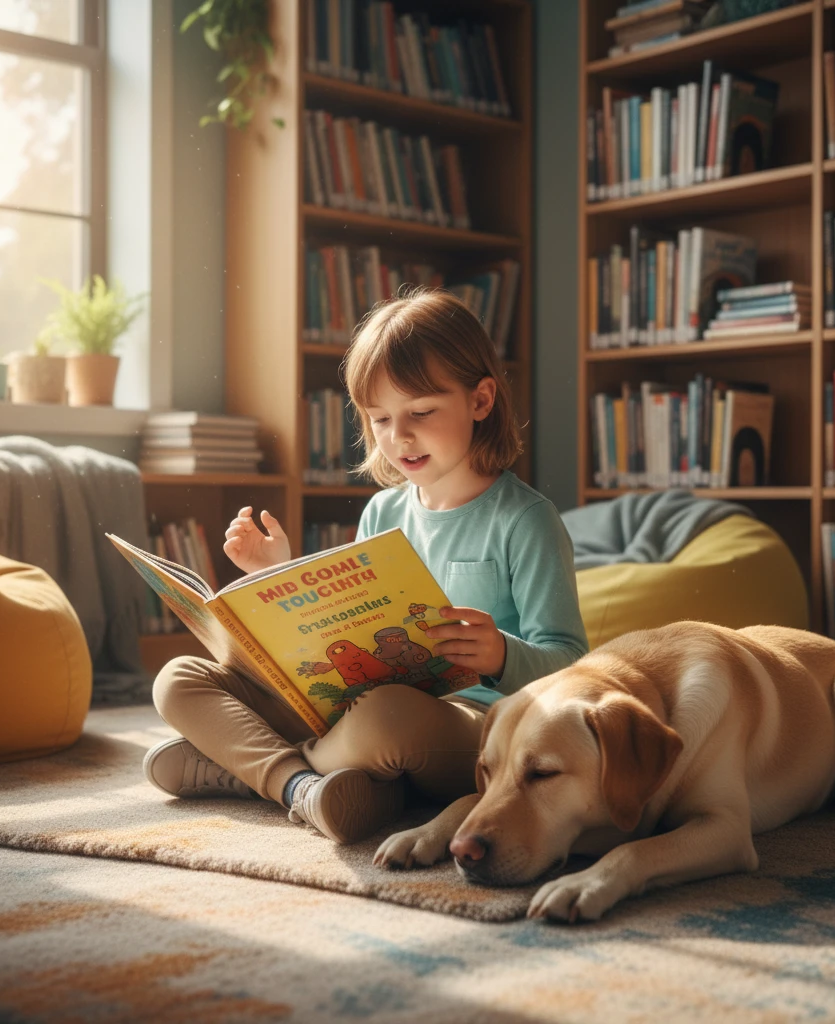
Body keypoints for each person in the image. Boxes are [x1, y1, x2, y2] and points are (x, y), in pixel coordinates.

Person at [143, 289, 589, 844]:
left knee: (387, 718)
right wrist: (275, 581)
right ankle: (308, 786)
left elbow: (572, 665)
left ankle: (254, 769)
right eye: (380, 419)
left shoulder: (526, 520)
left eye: (421, 413)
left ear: (481, 400)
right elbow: (346, 629)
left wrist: (500, 654)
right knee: (178, 679)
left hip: (477, 729)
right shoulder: (384, 509)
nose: (398, 437)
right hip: (353, 714)